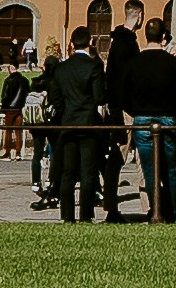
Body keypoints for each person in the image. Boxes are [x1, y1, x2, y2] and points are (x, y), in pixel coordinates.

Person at [42, 24, 116, 220]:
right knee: (88, 172)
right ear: (90, 43)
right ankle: (85, 215)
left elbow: (55, 97)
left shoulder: (62, 68)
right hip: (89, 123)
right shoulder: (93, 67)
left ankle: (67, 215)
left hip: (68, 123)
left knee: (67, 172)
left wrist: (66, 109)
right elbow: (100, 97)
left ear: (72, 44)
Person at [117, 16, 176, 221]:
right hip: (167, 119)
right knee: (170, 170)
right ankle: (173, 212)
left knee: (149, 170)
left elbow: (124, 96)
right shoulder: (173, 64)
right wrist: (172, 114)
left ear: (145, 36)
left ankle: (155, 211)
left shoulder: (133, 63)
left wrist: (137, 110)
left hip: (143, 119)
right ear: (164, 37)